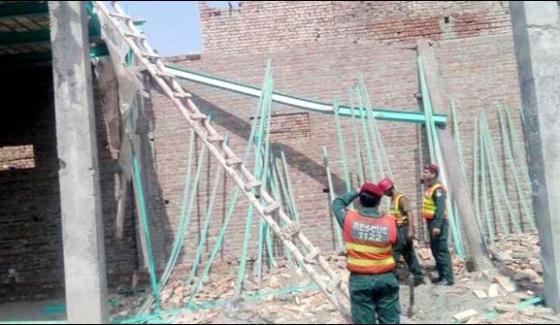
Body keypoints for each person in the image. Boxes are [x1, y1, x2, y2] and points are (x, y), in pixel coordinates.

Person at [331, 182, 400, 324]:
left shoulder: (349, 219)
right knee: (390, 320)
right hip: (386, 278)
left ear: (360, 199)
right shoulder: (390, 221)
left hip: (360, 280)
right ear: (379, 201)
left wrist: (356, 190)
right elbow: (396, 244)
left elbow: (337, 203)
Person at [378, 177, 424, 286]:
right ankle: (417, 277)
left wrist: (410, 230)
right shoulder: (393, 200)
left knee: (396, 254)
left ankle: (395, 278)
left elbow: (410, 213)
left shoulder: (401, 198)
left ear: (389, 189)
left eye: (384, 192)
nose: (384, 194)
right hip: (397, 230)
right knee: (408, 254)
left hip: (403, 230)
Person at [421, 164, 454, 286]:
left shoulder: (438, 189)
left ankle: (448, 278)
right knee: (435, 250)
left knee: (441, 251)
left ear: (433, 174)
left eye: (426, 172)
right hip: (431, 222)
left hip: (438, 222)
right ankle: (441, 276)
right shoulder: (430, 187)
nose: (424, 174)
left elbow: (440, 209)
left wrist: (437, 226)